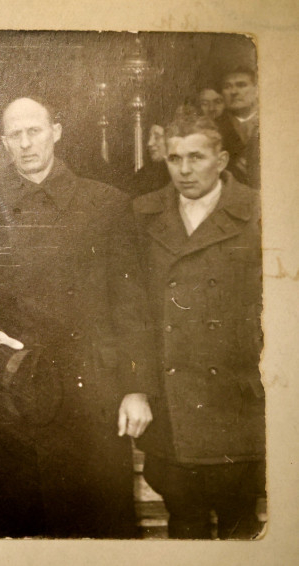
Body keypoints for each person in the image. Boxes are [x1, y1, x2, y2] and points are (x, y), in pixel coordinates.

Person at [0, 97, 154, 538]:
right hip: (13, 392)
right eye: (15, 135)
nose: (26, 143)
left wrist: (136, 387)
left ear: (56, 132)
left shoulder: (106, 204)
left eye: (34, 131)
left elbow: (130, 303)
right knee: (15, 532)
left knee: (95, 531)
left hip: (89, 395)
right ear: (3, 142)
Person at [132, 114, 265, 539]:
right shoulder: (143, 215)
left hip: (238, 404)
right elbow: (132, 311)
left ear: (221, 160)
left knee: (241, 524)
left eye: (196, 157)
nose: (184, 170)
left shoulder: (260, 212)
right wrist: (138, 387)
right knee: (184, 520)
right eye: (175, 159)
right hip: (174, 406)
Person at [215, 66, 260, 188]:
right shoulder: (212, 128)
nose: (234, 92)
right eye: (227, 87)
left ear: (256, 90)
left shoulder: (272, 123)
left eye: (241, 85)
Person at [128, 123, 171, 197]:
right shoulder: (142, 175)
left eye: (157, 137)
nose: (149, 143)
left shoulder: (178, 173)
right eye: (149, 137)